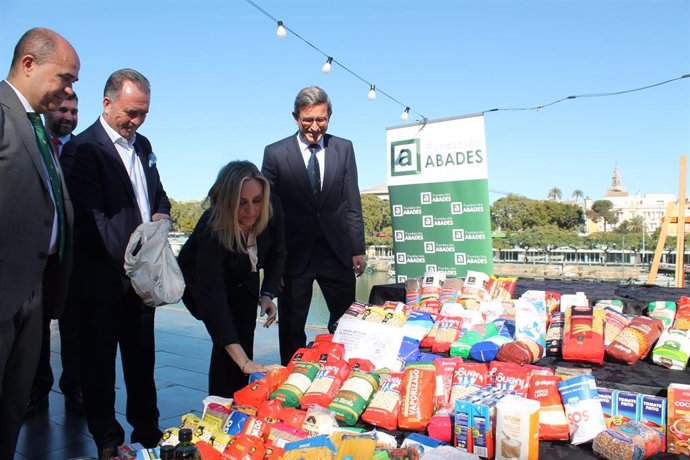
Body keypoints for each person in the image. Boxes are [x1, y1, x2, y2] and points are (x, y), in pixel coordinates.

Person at [60, 68, 169, 459]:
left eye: (142, 114)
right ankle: (107, 440)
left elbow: (160, 196)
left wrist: (160, 217)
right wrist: (134, 261)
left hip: (140, 287)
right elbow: (93, 222)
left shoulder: (144, 146)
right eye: (129, 113)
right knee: (99, 369)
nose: (135, 121)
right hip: (100, 283)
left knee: (143, 366)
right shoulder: (83, 149)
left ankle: (148, 432)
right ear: (106, 104)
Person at [0, 28, 79, 460]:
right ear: (29, 64)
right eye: (65, 78)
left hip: (34, 293)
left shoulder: (36, 128)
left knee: (13, 407)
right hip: (5, 292)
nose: (68, 90)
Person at [261, 86, 367, 365]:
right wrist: (273, 263)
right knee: (292, 329)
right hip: (294, 256)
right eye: (308, 120)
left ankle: (342, 376)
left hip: (337, 252)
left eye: (321, 119)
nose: (314, 127)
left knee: (346, 324)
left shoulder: (344, 148)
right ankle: (290, 379)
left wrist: (358, 248)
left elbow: (351, 201)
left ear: (329, 117)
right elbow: (266, 212)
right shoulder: (274, 153)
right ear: (295, 117)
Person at [178, 161, 286, 397]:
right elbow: (213, 298)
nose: (251, 211)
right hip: (202, 282)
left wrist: (267, 293)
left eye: (257, 201)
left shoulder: (273, 206)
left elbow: (278, 253)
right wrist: (244, 362)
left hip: (246, 275)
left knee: (244, 333)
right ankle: (220, 406)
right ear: (227, 202)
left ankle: (242, 400)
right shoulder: (211, 227)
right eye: (241, 203)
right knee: (226, 341)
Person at [27, 92, 84, 417]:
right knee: (37, 328)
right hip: (38, 255)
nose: (69, 116)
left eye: (74, 111)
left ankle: (73, 387)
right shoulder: (33, 146)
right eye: (63, 109)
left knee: (74, 329)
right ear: (49, 110)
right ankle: (36, 389)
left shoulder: (84, 149)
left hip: (74, 258)